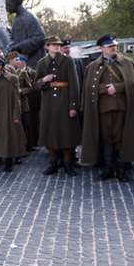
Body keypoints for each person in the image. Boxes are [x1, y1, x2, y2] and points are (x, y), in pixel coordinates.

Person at [80, 33, 134, 181]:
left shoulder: (128, 63)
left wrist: (117, 88)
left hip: (122, 107)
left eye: (115, 46)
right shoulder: (92, 66)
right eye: (110, 46)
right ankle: (107, 169)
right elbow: (89, 87)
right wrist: (107, 89)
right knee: (106, 138)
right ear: (102, 49)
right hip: (102, 108)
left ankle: (120, 169)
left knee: (120, 138)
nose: (114, 48)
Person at [35, 36, 81, 175]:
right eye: (53, 44)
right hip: (49, 103)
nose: (57, 46)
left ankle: (67, 163)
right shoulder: (42, 63)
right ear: (47, 47)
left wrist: (73, 105)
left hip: (64, 100)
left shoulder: (68, 61)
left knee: (67, 133)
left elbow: (74, 84)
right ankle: (53, 163)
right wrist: (43, 80)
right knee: (50, 133)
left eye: (58, 44)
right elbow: (35, 84)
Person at [5, 0, 46, 67]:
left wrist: (19, 47)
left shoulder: (29, 16)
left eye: (8, 4)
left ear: (15, 3)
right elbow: (14, 38)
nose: (6, 7)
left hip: (34, 62)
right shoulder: (16, 18)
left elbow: (40, 38)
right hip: (22, 63)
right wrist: (11, 46)